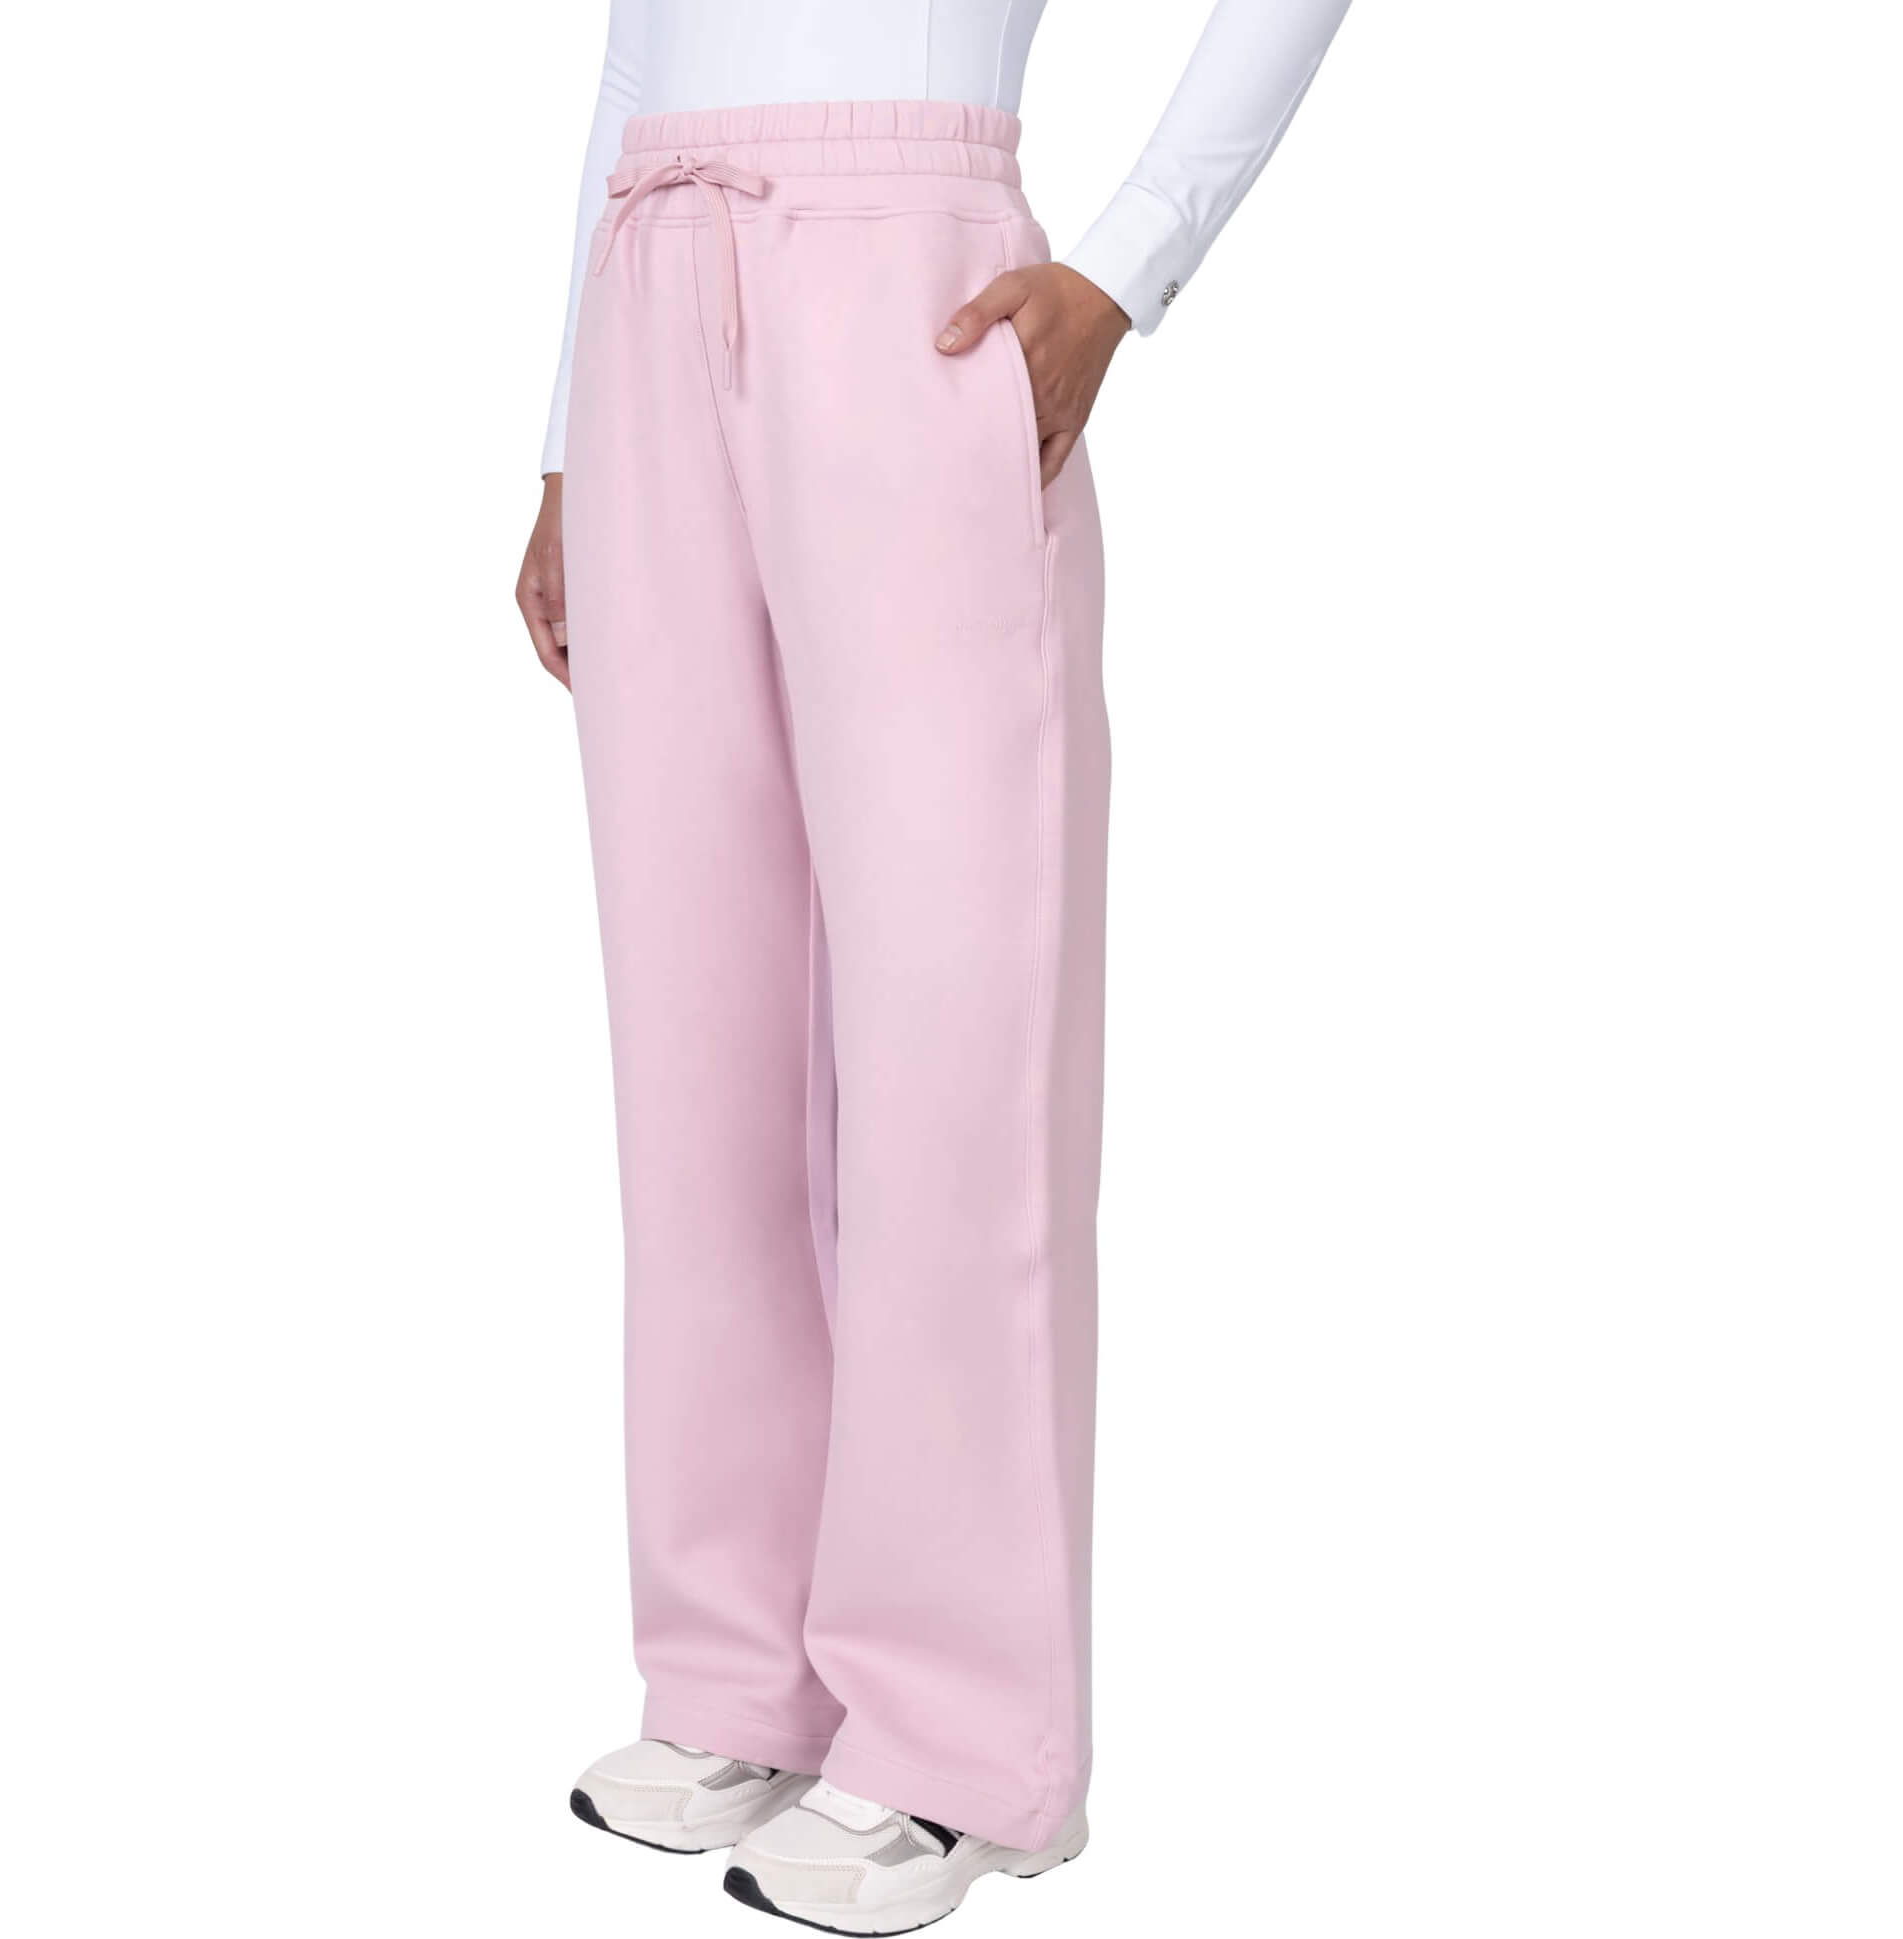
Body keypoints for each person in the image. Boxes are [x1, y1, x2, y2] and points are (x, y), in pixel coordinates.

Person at [515, 3, 1352, 1929]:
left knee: (951, 1045)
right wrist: (563, 442)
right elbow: (640, 55)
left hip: (914, 287)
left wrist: (1125, 269)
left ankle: (970, 1745)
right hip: (650, 279)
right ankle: (739, 1674)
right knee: (698, 1050)